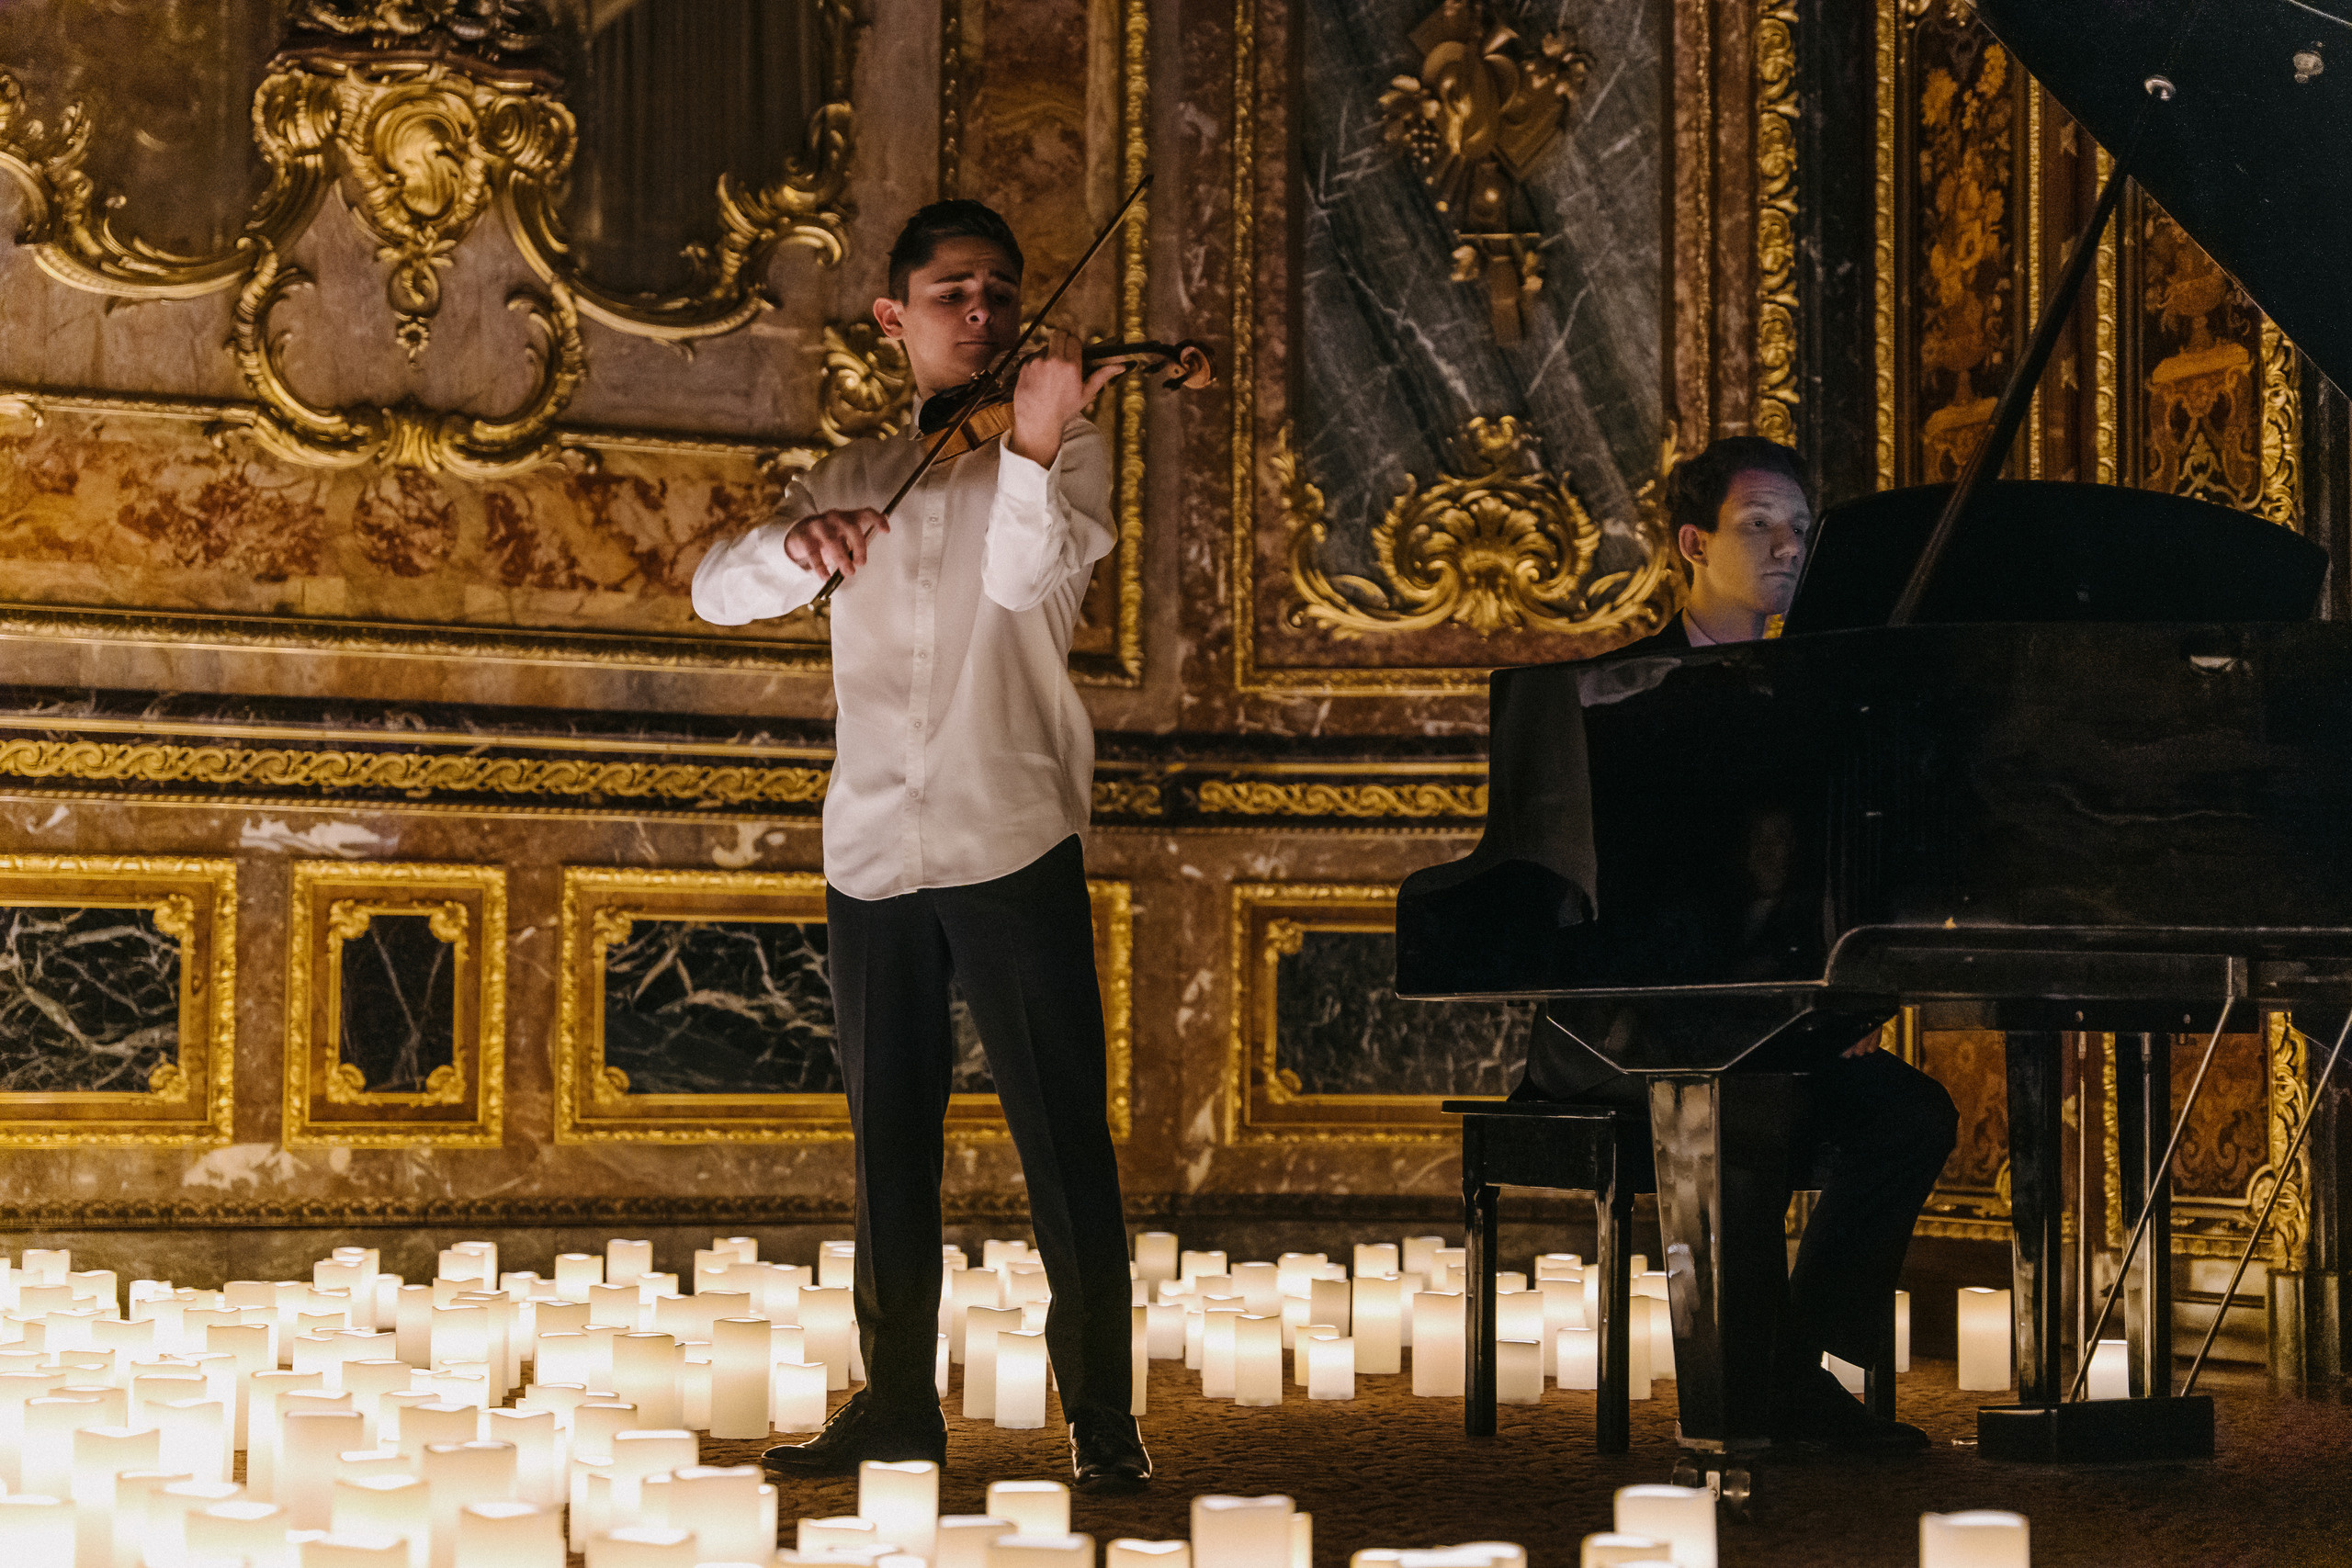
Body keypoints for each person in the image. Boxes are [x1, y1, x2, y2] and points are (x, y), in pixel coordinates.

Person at [691, 200, 1148, 1494]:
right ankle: (896, 1402)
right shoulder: (847, 475)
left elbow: (1021, 579)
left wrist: (1040, 438)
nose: (986, 315)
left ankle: (1102, 1410)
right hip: (873, 842)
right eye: (954, 293)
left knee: (1063, 1135)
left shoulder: (1068, 453)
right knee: (888, 1137)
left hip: (1011, 833)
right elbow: (714, 590)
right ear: (895, 318)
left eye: (1003, 292)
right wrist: (795, 545)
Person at [1515, 435, 1959, 1452]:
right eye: (1757, 524)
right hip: (1617, 1027)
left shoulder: (1825, 702)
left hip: (1766, 1027)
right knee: (1747, 1091)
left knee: (1911, 1113)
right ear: (1690, 543)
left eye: (1799, 530)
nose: (1785, 546)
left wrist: (1832, 1013)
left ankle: (1785, 1370)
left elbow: (1833, 888)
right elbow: (1585, 905)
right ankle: (1755, 1402)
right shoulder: (1609, 695)